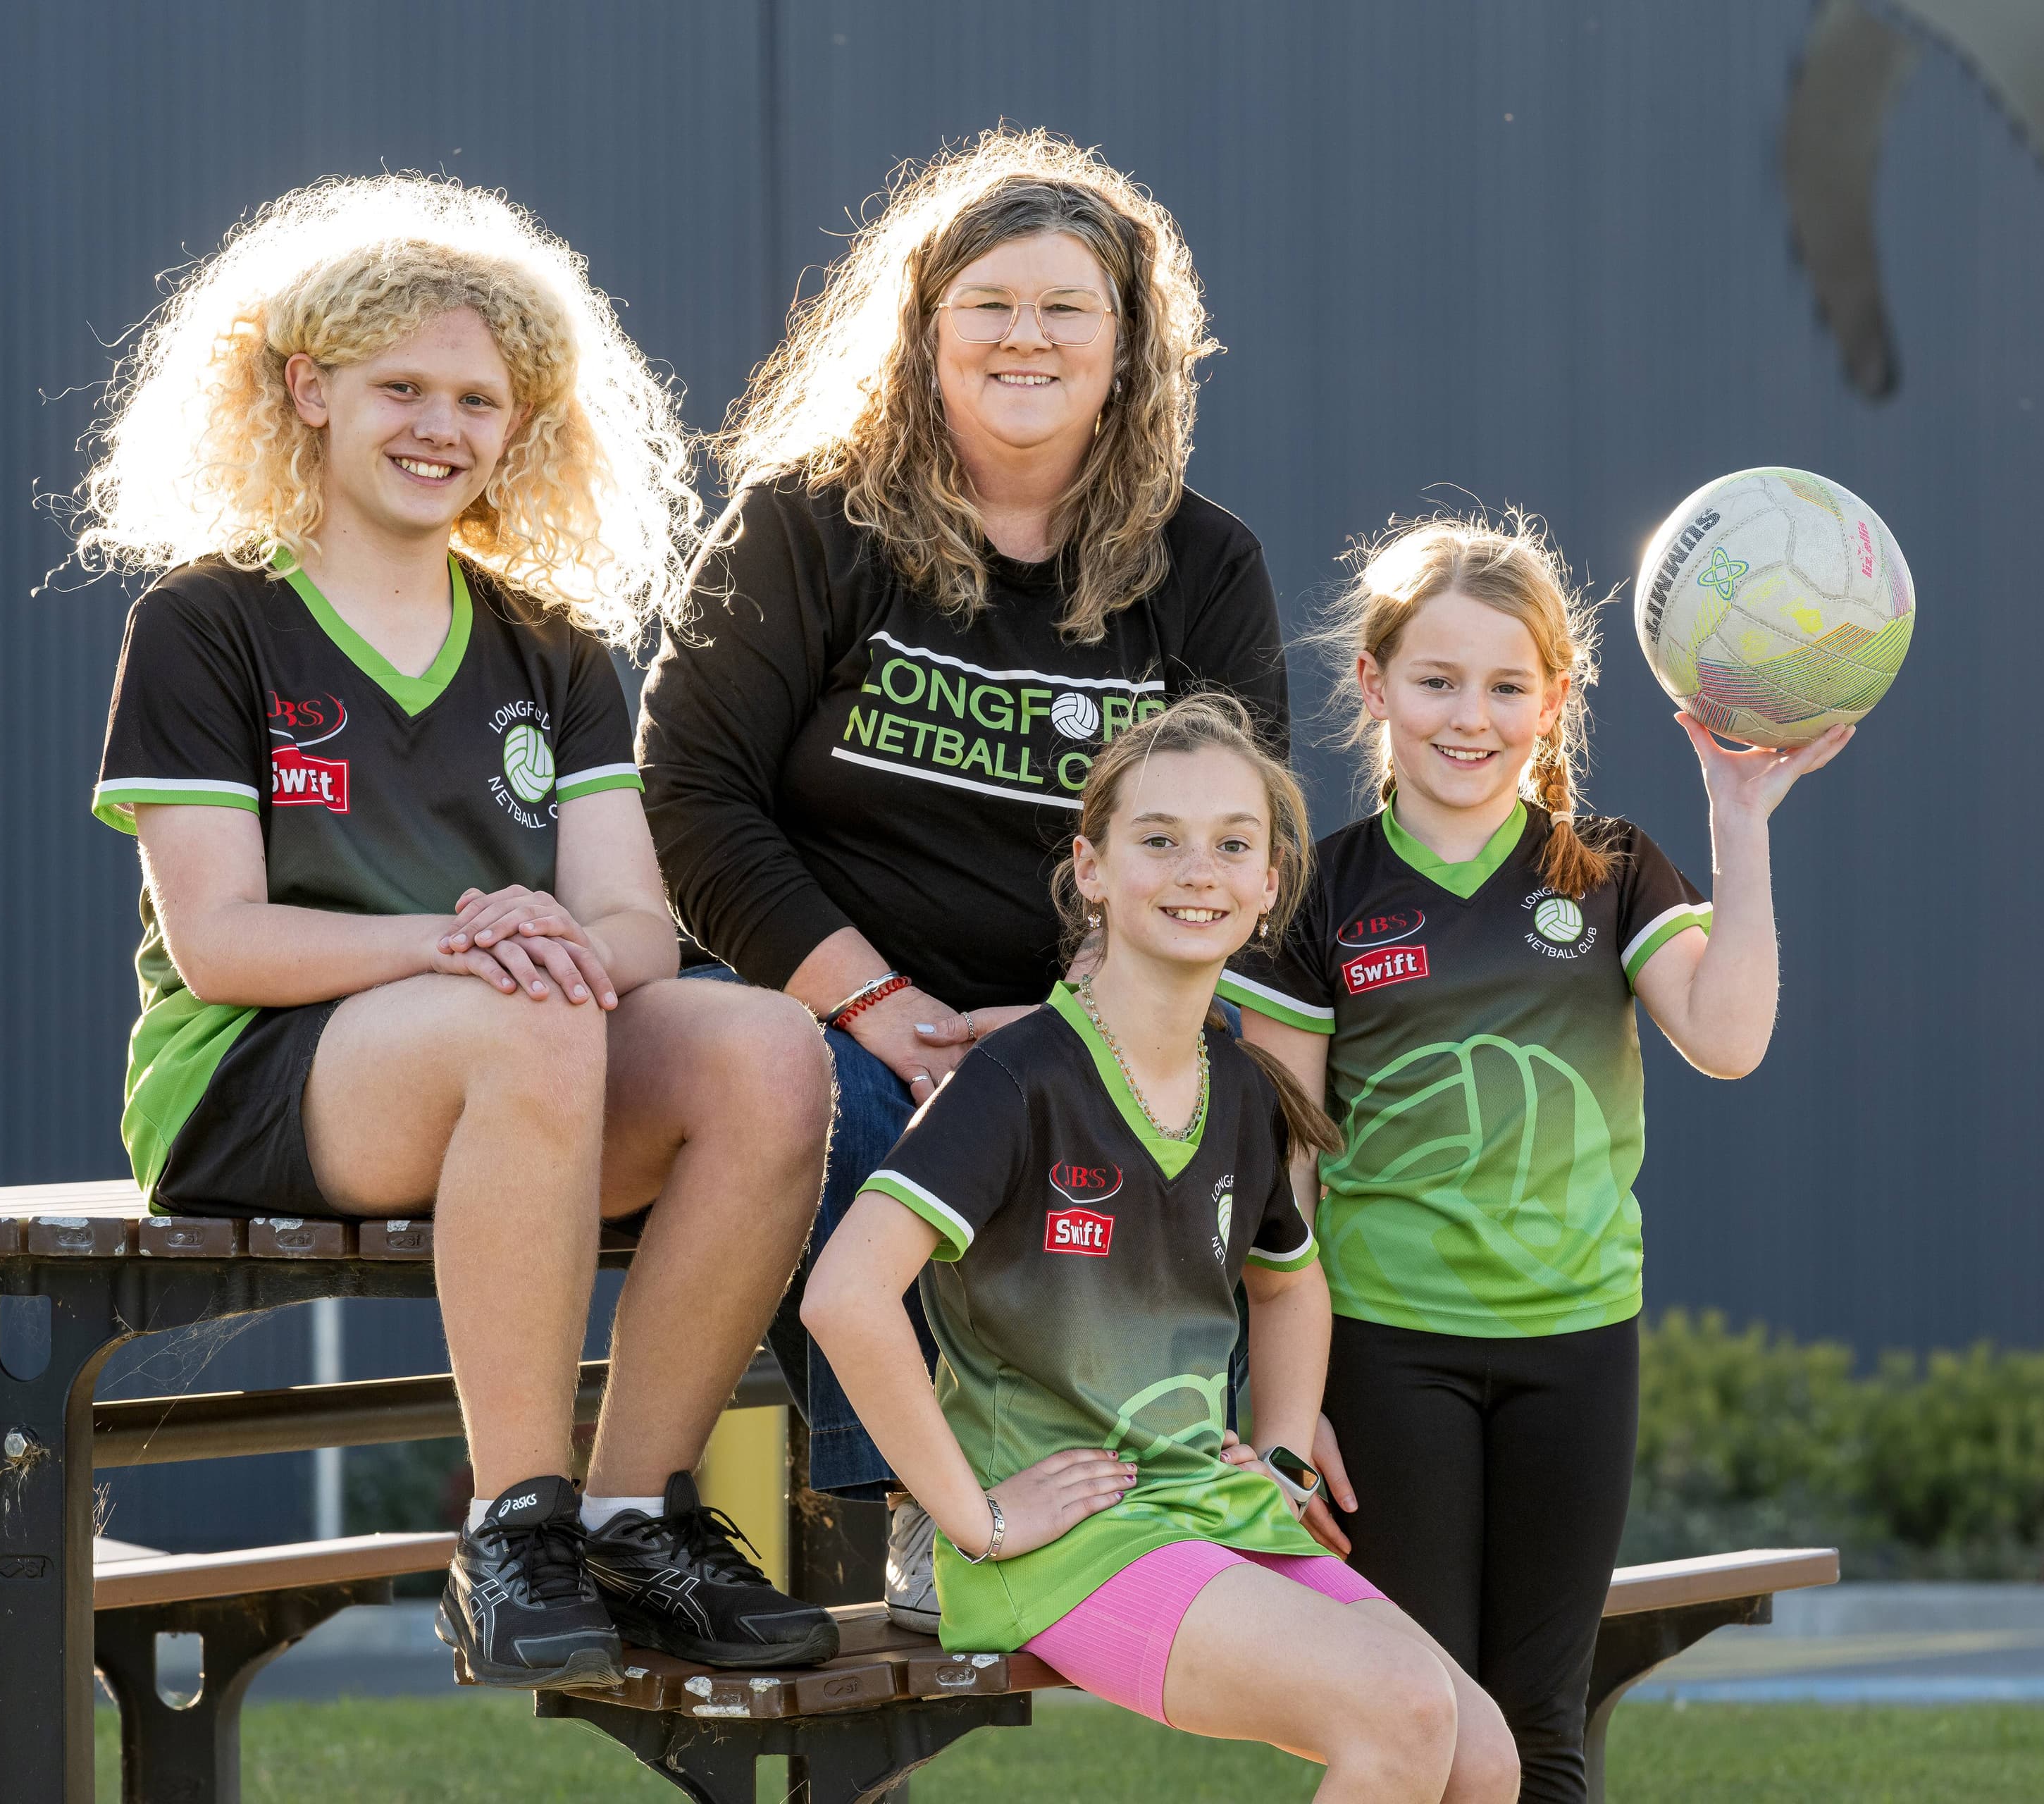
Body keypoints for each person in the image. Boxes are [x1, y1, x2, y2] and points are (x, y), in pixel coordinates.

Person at [75, 174, 838, 1688]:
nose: (443, 427)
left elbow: (632, 925)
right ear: (309, 389)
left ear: (521, 425)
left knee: (769, 1048)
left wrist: (540, 941)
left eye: (479, 400)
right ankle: (511, 1525)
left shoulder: (553, 645)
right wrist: (465, 942)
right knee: (533, 1013)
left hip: (516, 1056)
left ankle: (632, 1515)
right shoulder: (207, 622)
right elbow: (223, 943)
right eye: (402, 388)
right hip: (259, 1074)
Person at [638, 129, 1289, 1619]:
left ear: (1129, 346)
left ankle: (1192, 1469)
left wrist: (1077, 1027)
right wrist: (877, 1003)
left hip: (1087, 1017)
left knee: (1222, 1087)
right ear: (924, 329)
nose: (1025, 336)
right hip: (830, 1010)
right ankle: (931, 1506)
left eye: (1067, 307)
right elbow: (691, 796)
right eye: (988, 302)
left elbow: (1231, 825)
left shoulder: (1204, 566)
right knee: (850, 1105)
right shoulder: (806, 525)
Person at [1226, 516, 1850, 1802]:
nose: (1472, 717)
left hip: (1578, 1345)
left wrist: (1740, 818)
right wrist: (1289, 1405)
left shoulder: (1608, 871)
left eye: (1508, 686)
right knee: (1426, 1716)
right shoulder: (1315, 896)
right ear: (1374, 685)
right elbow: (1280, 1184)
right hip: (1388, 1352)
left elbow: (1729, 1040)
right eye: (1437, 681)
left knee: (1542, 1726)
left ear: (1555, 700)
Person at [801, 696, 1519, 1803]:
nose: (1199, 871)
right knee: (1404, 1710)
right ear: (1090, 868)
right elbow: (845, 1297)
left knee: (1483, 1755)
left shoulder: (1243, 1089)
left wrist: (1281, 1455)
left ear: (1270, 883)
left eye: (1232, 845)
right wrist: (977, 1517)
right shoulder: (1015, 1080)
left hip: (1208, 1505)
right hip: (1072, 1545)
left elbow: (1290, 1289)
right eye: (1160, 839)